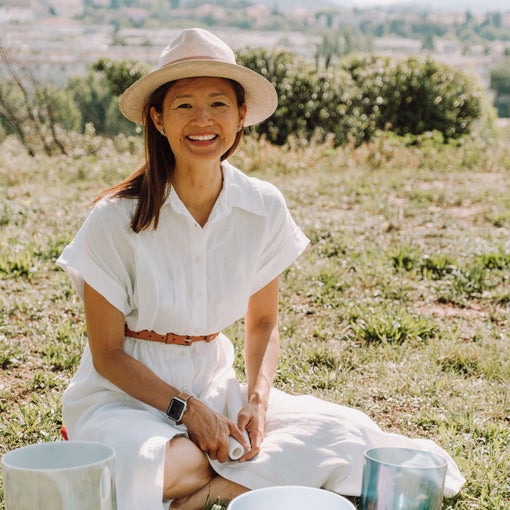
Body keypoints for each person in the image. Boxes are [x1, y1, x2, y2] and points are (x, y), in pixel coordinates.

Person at [57, 28, 465, 510]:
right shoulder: (114, 218)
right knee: (153, 464)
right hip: (124, 396)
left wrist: (256, 402)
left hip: (214, 382)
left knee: (350, 436)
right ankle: (231, 470)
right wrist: (186, 411)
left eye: (219, 104)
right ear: (158, 118)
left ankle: (216, 486)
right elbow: (107, 354)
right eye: (184, 105)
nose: (203, 120)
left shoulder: (262, 206)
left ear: (241, 114)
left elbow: (264, 322)